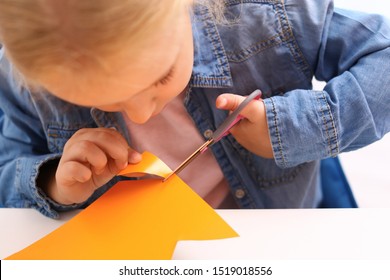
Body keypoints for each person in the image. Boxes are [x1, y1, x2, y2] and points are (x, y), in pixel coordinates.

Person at [0, 0, 389, 218]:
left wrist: (296, 126)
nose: (139, 115)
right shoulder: (26, 75)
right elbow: (8, 169)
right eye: (105, 100)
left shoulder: (268, 16)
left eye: (161, 77)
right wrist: (53, 182)